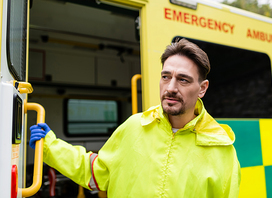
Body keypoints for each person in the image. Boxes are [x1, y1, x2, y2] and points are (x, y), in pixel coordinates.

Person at [30, 38, 241, 198]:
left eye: (183, 80)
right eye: (166, 76)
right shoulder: (134, 127)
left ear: (202, 89)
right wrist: (50, 146)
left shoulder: (221, 151)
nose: (171, 88)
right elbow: (96, 172)